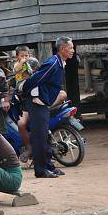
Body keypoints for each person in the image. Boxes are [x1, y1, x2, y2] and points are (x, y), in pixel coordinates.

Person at [22, 37, 74, 178]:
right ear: (62, 49)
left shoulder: (59, 63)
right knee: (39, 137)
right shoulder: (53, 63)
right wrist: (26, 90)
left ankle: (49, 166)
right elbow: (36, 78)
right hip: (37, 104)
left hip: (44, 103)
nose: (73, 51)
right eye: (70, 48)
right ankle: (40, 170)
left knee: (44, 136)